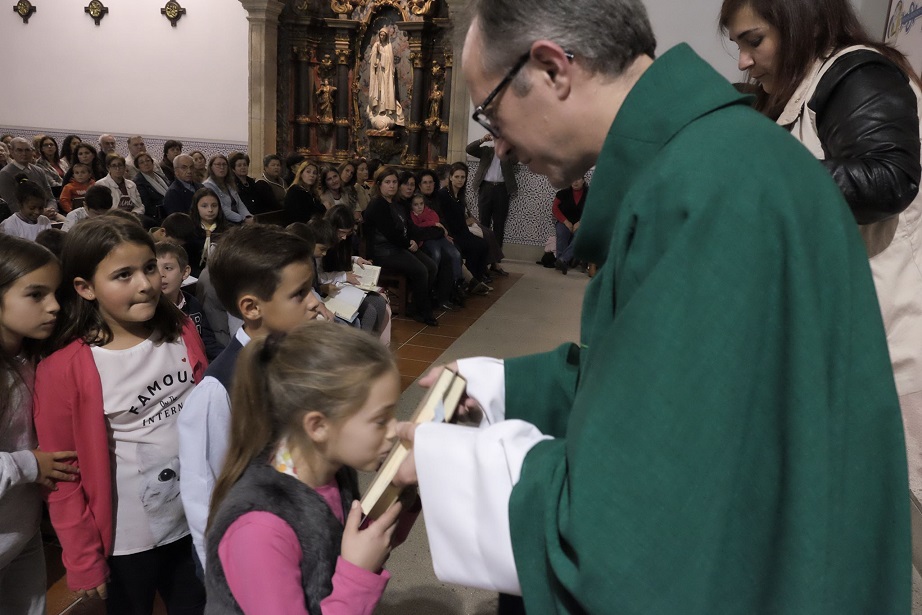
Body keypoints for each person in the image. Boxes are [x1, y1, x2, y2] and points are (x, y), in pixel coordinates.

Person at [392, 0, 910, 612]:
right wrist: (501, 386)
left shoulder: (708, 188)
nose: (497, 147)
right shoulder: (709, 158)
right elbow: (658, 381)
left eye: (492, 113)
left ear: (553, 69)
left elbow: (641, 530)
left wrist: (456, 470)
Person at [720, 0, 922, 442]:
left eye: (754, 41)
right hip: (845, 350)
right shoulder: (799, 93)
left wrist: (762, 169)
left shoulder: (858, 75)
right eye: (738, 45)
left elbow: (890, 179)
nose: (743, 61)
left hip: (894, 351)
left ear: (803, 23)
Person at [34, 217, 208, 613]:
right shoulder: (64, 370)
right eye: (123, 275)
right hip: (127, 541)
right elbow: (63, 474)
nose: (146, 284)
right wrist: (82, 557)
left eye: (149, 267)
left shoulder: (180, 328)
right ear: (85, 288)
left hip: (194, 517)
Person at [205, 322, 414, 614]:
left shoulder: (332, 468)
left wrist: (404, 489)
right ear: (318, 426)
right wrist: (357, 576)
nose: (395, 430)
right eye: (381, 420)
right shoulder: (259, 530)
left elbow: (361, 540)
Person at [179, 224, 322, 572]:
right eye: (299, 294)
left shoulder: (303, 357)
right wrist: (221, 573)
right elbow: (204, 493)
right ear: (252, 307)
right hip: (254, 554)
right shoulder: (218, 391)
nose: (315, 302)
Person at [0, 236, 76, 615]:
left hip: (22, 532)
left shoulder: (30, 357)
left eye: (55, 293)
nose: (54, 306)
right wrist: (30, 464)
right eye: (36, 295)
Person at [363, 166, 440, 325]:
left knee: (431, 266)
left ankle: (415, 305)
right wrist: (407, 244)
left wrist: (413, 239)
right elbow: (390, 233)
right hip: (383, 251)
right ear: (379, 184)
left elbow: (407, 226)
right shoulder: (378, 204)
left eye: (394, 182)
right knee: (421, 270)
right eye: (387, 182)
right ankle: (422, 312)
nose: (391, 185)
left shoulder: (396, 203)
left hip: (398, 246)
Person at [322, 205, 392, 337]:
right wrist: (343, 276)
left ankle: (372, 343)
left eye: (347, 233)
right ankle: (361, 346)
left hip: (340, 284)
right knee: (369, 311)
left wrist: (355, 259)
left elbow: (338, 258)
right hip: (328, 288)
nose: (344, 237)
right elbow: (317, 276)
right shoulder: (322, 242)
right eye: (341, 232)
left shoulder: (343, 241)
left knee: (379, 302)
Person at [157, 241, 225, 361]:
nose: (160, 274)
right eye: (153, 269)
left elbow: (207, 342)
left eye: (168, 268)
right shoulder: (150, 310)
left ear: (185, 272)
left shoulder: (192, 303)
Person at [436, 163, 493, 295]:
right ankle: (469, 282)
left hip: (462, 232)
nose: (460, 180)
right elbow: (442, 217)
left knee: (483, 244)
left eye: (463, 177)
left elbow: (461, 218)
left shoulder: (460, 195)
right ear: (451, 177)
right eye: (457, 177)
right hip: (451, 233)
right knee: (474, 247)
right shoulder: (443, 194)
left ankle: (477, 280)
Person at [409, 192, 467, 305]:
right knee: (436, 254)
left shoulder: (429, 211)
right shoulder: (412, 215)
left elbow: (436, 220)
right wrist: (432, 223)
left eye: (421, 204)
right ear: (412, 206)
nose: (419, 207)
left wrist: (433, 224)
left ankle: (457, 282)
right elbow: (417, 226)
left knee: (456, 253)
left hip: (439, 237)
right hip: (428, 239)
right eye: (416, 204)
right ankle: (432, 282)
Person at [466, 132, 518, 251]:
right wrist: (482, 140)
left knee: (499, 223)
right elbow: (469, 149)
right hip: (486, 188)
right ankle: (484, 251)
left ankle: (496, 253)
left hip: (502, 189)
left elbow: (516, 160)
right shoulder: (486, 151)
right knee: (484, 222)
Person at [0, 138, 57, 214]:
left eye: (27, 150)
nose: (24, 153)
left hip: (48, 212)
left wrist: (51, 209)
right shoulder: (5, 173)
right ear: (11, 151)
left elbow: (50, 197)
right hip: (25, 216)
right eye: (19, 150)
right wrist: (40, 212)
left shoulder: (39, 170)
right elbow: (12, 204)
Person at [367, 27, 404, 128]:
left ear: (386, 36)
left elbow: (390, 62)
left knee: (385, 91)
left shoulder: (388, 46)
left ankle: (385, 110)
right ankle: (378, 109)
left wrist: (382, 54)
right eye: (380, 35)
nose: (382, 37)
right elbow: (372, 61)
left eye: (383, 35)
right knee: (378, 91)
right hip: (378, 73)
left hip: (386, 75)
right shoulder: (376, 45)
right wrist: (376, 53)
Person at [551, 176, 588, 274]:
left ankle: (563, 260)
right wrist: (566, 222)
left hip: (582, 223)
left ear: (583, 181)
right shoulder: (562, 193)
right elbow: (555, 208)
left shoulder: (590, 193)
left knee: (580, 235)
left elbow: (593, 209)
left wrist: (580, 223)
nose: (575, 182)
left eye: (578, 179)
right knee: (561, 232)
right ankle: (561, 262)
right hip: (564, 222)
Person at [203, 154, 253, 225]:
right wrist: (242, 219)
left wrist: (247, 216)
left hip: (238, 220)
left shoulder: (229, 183)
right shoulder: (208, 185)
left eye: (224, 164)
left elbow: (240, 204)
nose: (222, 167)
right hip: (222, 222)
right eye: (218, 164)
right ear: (211, 167)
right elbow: (221, 208)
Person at [0, 176, 53, 241]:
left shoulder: (45, 221)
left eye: (41, 208)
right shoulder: (10, 225)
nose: (37, 212)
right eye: (32, 208)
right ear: (20, 204)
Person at [189, 187, 229, 273]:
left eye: (214, 205)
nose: (210, 210)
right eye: (204, 206)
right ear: (196, 207)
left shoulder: (228, 230)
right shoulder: (189, 231)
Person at [133, 152, 170, 223]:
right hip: (157, 215)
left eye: (148, 160)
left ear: (152, 162)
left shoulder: (159, 175)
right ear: (138, 167)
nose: (146, 164)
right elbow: (147, 205)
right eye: (142, 162)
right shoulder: (138, 182)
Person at [285, 160, 325, 225]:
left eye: (314, 173)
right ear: (301, 174)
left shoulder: (313, 192)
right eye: (308, 172)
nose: (312, 175)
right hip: (298, 227)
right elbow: (300, 216)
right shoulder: (295, 191)